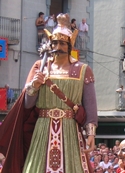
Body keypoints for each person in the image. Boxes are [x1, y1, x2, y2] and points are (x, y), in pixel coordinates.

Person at [0, 13, 97, 173]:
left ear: (70, 45)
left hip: (70, 130)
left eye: (62, 43)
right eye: (55, 43)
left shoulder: (82, 70)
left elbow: (90, 103)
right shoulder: (40, 67)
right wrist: (34, 86)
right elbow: (27, 104)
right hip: (42, 129)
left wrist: (91, 134)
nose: (58, 47)